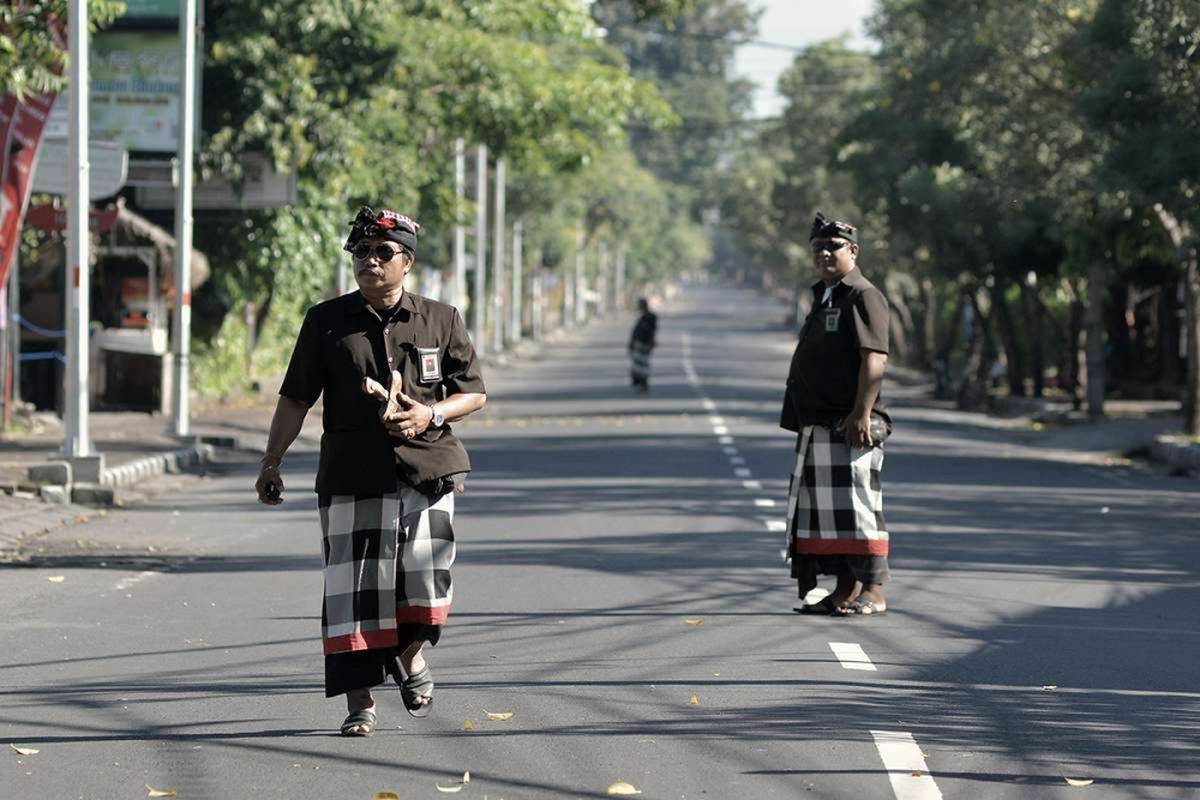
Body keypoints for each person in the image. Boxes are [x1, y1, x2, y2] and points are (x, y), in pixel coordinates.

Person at [256, 207, 486, 736]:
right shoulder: (325, 321)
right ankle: (360, 704)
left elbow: (473, 392)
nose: (371, 262)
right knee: (353, 594)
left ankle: (410, 657)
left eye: (383, 254)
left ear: (407, 262)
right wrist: (272, 461)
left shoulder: (441, 318)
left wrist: (430, 413)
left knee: (424, 585)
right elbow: (295, 400)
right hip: (351, 474)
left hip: (427, 470)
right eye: (361, 253)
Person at [780, 212, 892, 617]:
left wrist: (861, 413)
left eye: (834, 247)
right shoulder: (827, 295)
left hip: (851, 425)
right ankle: (845, 590)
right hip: (821, 425)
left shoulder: (864, 295)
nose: (825, 253)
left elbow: (874, 360)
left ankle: (874, 591)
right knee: (831, 516)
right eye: (818, 247)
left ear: (854, 251)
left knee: (860, 509)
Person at [628, 298, 658, 393]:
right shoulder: (642, 317)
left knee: (643, 364)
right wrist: (631, 343)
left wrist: (651, 342)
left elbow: (652, 331)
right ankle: (637, 380)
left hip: (644, 343)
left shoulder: (650, 317)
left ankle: (643, 383)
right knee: (637, 363)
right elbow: (635, 332)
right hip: (638, 343)